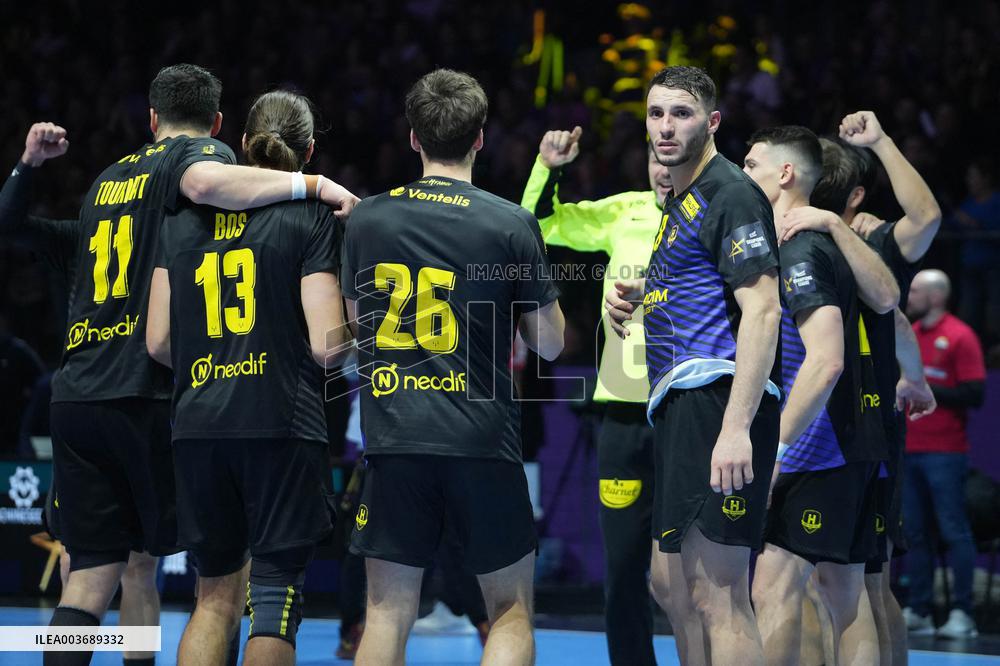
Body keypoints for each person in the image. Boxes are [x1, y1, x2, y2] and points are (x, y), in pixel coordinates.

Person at [0, 63, 358, 666]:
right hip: (150, 397)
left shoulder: (105, 184)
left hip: (79, 394)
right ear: (221, 130)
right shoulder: (194, 172)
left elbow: (11, 228)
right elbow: (209, 192)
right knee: (173, 578)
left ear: (150, 118)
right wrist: (315, 185)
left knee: (89, 574)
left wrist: (28, 164)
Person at [343, 68, 564, 666]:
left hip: (394, 434)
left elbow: (357, 329)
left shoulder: (367, 219)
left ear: (413, 138)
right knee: (510, 611)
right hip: (481, 438)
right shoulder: (509, 222)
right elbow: (549, 344)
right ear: (481, 138)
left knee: (387, 613)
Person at [146, 89, 350, 666]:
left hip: (198, 425)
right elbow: (327, 347)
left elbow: (158, 343)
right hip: (279, 424)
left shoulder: (183, 219)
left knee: (212, 600)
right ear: (309, 150)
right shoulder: (310, 215)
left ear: (240, 143)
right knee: (274, 595)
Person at [606, 65, 782, 666]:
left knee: (719, 593)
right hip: (679, 407)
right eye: (655, 113)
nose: (664, 126)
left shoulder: (730, 192)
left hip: (714, 400)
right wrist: (641, 291)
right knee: (670, 584)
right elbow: (700, 285)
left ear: (711, 122)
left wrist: (735, 428)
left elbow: (763, 311)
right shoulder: (681, 199)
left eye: (680, 113)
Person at [784, 110, 943, 665]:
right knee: (838, 584)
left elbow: (924, 219)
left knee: (845, 583)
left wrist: (880, 141)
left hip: (847, 427)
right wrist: (917, 378)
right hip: (837, 425)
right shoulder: (807, 240)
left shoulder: (866, 238)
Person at [742, 125, 895, 666]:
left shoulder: (803, 248)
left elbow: (825, 359)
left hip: (819, 442)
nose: (743, 173)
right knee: (844, 595)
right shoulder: (811, 241)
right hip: (851, 437)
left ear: (785, 175)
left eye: (751, 164)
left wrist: (775, 448)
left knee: (772, 588)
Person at [520, 127, 670, 666]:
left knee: (692, 576)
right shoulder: (623, 212)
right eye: (654, 156)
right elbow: (539, 221)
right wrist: (548, 167)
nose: (662, 168)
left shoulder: (720, 216)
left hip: (691, 413)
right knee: (625, 568)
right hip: (623, 416)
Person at [902, 269, 986, 639]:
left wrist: (924, 389)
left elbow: (975, 394)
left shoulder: (960, 336)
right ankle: (919, 609)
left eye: (917, 290)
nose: (910, 294)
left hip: (945, 453)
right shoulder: (908, 335)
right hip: (908, 450)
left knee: (954, 532)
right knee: (915, 534)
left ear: (937, 296)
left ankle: (961, 613)